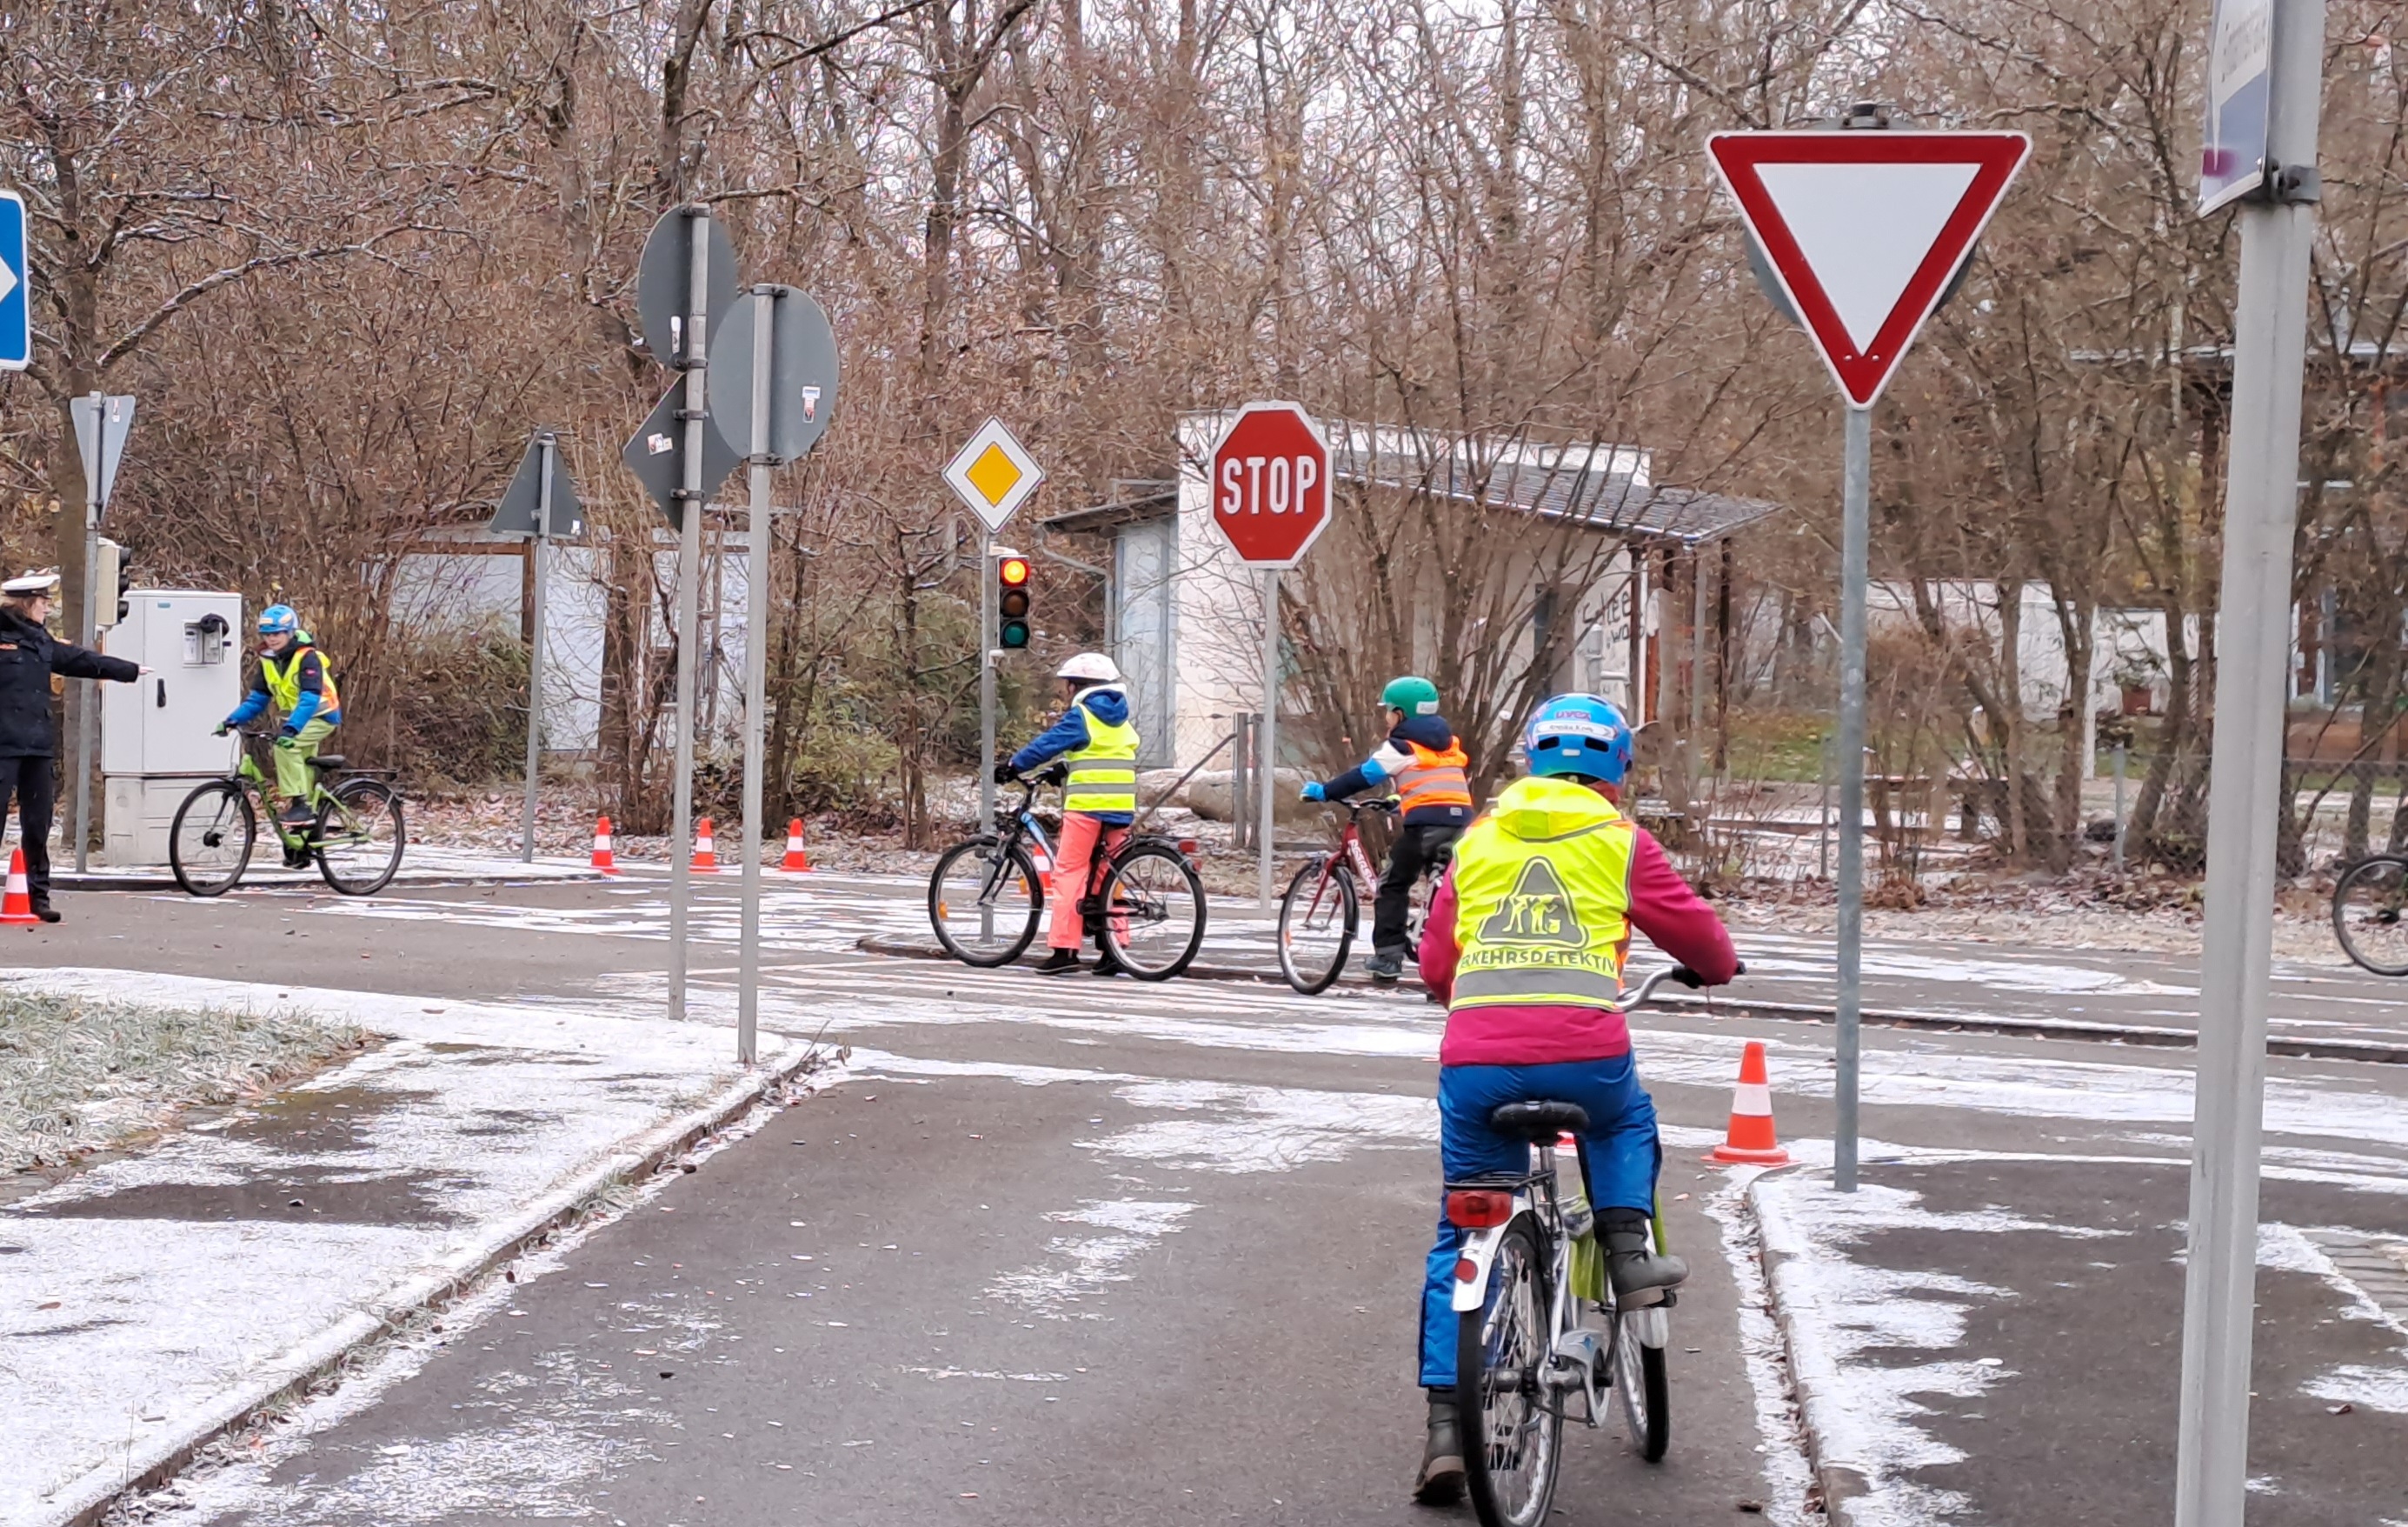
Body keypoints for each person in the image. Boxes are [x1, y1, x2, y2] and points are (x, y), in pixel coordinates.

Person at [1406, 693, 1739, 1504]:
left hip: (1478, 1063)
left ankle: (1450, 1428)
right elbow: (1707, 948)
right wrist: (1710, 970)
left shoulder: (1479, 840)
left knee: (1465, 1222)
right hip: (1587, 1054)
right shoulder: (1620, 840)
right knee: (1625, 1117)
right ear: (1616, 769)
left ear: (1530, 761)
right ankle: (1628, 1249)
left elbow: (1435, 968)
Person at [1300, 675, 1472, 980]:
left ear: (1401, 714)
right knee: (1444, 892)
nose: (1385, 717)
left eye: (1388, 711)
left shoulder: (1401, 745)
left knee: (1393, 884)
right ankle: (1446, 965)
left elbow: (1364, 776)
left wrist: (1325, 791)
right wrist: (1400, 800)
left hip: (1426, 826)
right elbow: (1434, 783)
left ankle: (1388, 957)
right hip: (1460, 823)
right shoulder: (1448, 743)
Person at [0, 570, 147, 923]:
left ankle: (38, 897)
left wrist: (128, 670)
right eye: (43, 601)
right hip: (2, 745)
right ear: (26, 603)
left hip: (36, 746)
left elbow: (82, 660)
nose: (48, 607)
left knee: (38, 825)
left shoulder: (41, 641)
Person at [996, 652, 1139, 977]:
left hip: (1087, 805)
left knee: (1069, 873)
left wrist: (1012, 766)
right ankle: (1113, 949)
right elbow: (1101, 752)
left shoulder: (1083, 715)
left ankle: (1065, 950)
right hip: (1121, 806)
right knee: (1109, 875)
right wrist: (1066, 766)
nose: (1065, 691)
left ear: (1078, 685)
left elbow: (1047, 744)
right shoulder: (1122, 717)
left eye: (1067, 685)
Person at [216, 604, 343, 830]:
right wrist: (232, 720)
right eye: (267, 634)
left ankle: (299, 804)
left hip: (321, 716)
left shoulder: (307, 657)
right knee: (301, 763)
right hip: (299, 719)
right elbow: (257, 699)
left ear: (290, 632)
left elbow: (310, 698)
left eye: (277, 634)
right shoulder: (268, 660)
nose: (271, 639)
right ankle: (307, 833)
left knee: (285, 747)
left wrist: (291, 729)